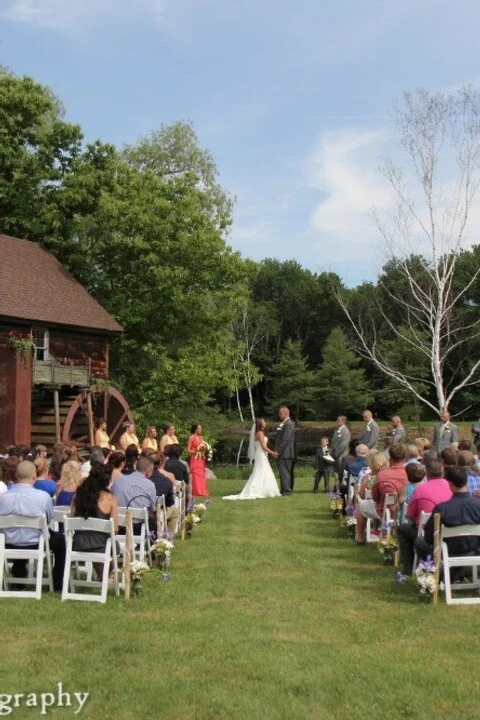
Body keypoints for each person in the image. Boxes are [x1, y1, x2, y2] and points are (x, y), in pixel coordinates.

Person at [0, 460, 65, 591]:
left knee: (19, 534)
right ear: (34, 476)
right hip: (36, 542)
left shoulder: (3, 498)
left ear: (16, 476)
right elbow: (48, 519)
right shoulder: (43, 497)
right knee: (63, 542)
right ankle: (57, 581)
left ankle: (18, 579)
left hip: (8, 542)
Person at [397, 458, 451, 573]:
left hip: (427, 534)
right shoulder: (451, 487)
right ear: (442, 472)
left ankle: (409, 567)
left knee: (402, 529)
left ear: (426, 473)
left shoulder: (420, 489)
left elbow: (410, 516)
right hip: (450, 531)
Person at [415, 466, 480, 562]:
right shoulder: (478, 505)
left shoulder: (442, 509)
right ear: (466, 482)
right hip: (475, 551)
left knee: (419, 542)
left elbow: (429, 537)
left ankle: (431, 570)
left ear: (450, 484)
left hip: (447, 552)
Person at [71, 464, 119, 577]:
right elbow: (115, 530)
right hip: (101, 545)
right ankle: (107, 575)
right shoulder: (110, 499)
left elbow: (72, 519)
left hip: (78, 543)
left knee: (103, 543)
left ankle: (106, 576)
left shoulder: (78, 497)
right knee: (114, 546)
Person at [355, 444, 408, 544]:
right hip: (405, 511)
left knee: (360, 506)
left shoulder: (382, 474)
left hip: (386, 510)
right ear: (405, 457)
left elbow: (375, 497)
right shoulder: (408, 472)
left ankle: (361, 538)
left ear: (389, 457)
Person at [223, 419, 280, 500]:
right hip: (261, 454)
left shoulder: (260, 433)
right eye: (264, 422)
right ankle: (261, 490)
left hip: (261, 454)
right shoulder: (260, 433)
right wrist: (272, 453)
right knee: (262, 470)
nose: (265, 423)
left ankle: (265, 489)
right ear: (260, 424)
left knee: (262, 470)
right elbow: (263, 447)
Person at [150, 455, 179, 535]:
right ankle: (169, 537)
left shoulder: (143, 479)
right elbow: (170, 502)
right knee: (175, 512)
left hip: (142, 511)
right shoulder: (166, 480)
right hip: (158, 512)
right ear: (160, 463)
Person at [274, 407, 296, 496]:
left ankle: (287, 490)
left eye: (280, 413)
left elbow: (286, 440)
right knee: (283, 472)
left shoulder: (289, 424)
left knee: (285, 472)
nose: (279, 415)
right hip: (283, 452)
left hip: (286, 452)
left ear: (286, 414)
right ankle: (284, 489)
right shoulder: (283, 423)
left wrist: (278, 451)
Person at [187, 424, 209, 498]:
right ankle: (196, 491)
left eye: (201, 428)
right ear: (195, 429)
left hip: (201, 459)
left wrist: (203, 452)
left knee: (201, 474)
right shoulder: (191, 438)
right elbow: (188, 450)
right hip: (195, 458)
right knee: (195, 474)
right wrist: (196, 452)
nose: (200, 429)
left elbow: (203, 447)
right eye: (199, 428)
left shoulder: (201, 437)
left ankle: (202, 491)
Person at [331, 416, 351, 483]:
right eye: (337, 420)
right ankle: (336, 487)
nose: (337, 421)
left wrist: (336, 453)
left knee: (341, 473)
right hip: (335, 455)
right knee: (336, 472)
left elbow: (343, 445)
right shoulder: (337, 430)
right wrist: (332, 452)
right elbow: (333, 441)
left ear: (343, 421)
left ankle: (341, 488)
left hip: (341, 456)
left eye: (338, 420)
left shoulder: (346, 432)